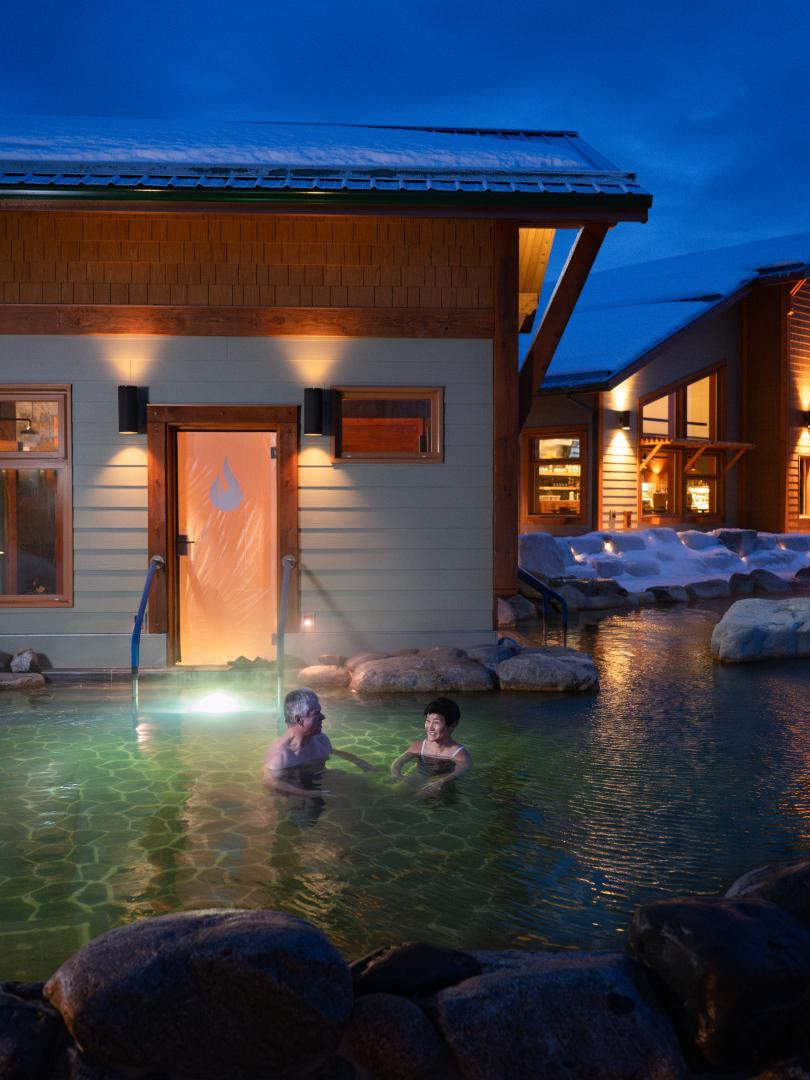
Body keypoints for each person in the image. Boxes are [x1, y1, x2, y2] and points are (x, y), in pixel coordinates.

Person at [263, 687, 375, 798]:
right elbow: (271, 782)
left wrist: (359, 762)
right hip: (293, 791)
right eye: (316, 713)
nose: (323, 717)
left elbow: (333, 752)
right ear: (299, 720)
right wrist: (309, 794)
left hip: (319, 779)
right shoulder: (281, 752)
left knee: (363, 785)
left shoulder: (321, 739)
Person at [390, 697, 471, 796]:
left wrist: (441, 782)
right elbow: (398, 762)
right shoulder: (419, 747)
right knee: (396, 792)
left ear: (453, 725)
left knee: (434, 797)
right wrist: (396, 775)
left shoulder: (459, 754)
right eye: (428, 721)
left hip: (443, 783)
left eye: (436, 722)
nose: (430, 727)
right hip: (419, 777)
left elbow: (459, 772)